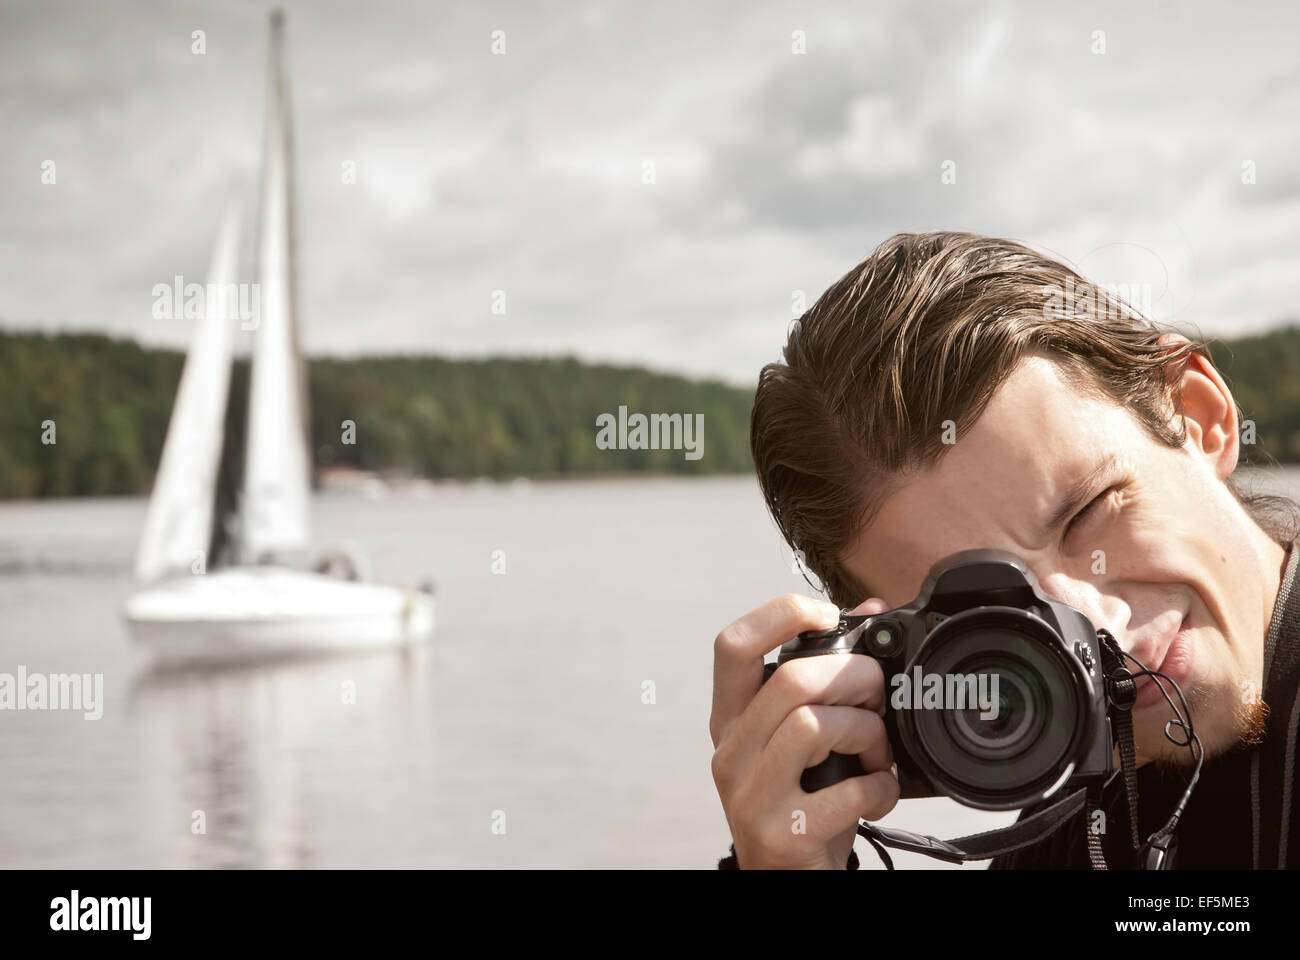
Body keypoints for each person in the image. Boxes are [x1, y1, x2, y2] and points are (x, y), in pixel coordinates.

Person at [710, 231, 1300, 869]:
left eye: (1090, 512)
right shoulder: (1056, 838)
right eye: (993, 608)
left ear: (1199, 417)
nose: (1098, 625)